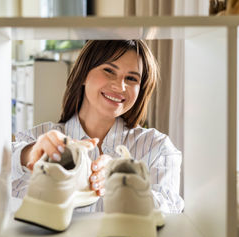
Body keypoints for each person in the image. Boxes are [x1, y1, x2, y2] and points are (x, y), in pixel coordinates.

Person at [12, 40, 184, 213]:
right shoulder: (39, 138)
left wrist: (123, 184)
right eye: (109, 71)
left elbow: (170, 211)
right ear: (84, 74)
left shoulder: (158, 147)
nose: (120, 86)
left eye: (131, 78)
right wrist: (31, 154)